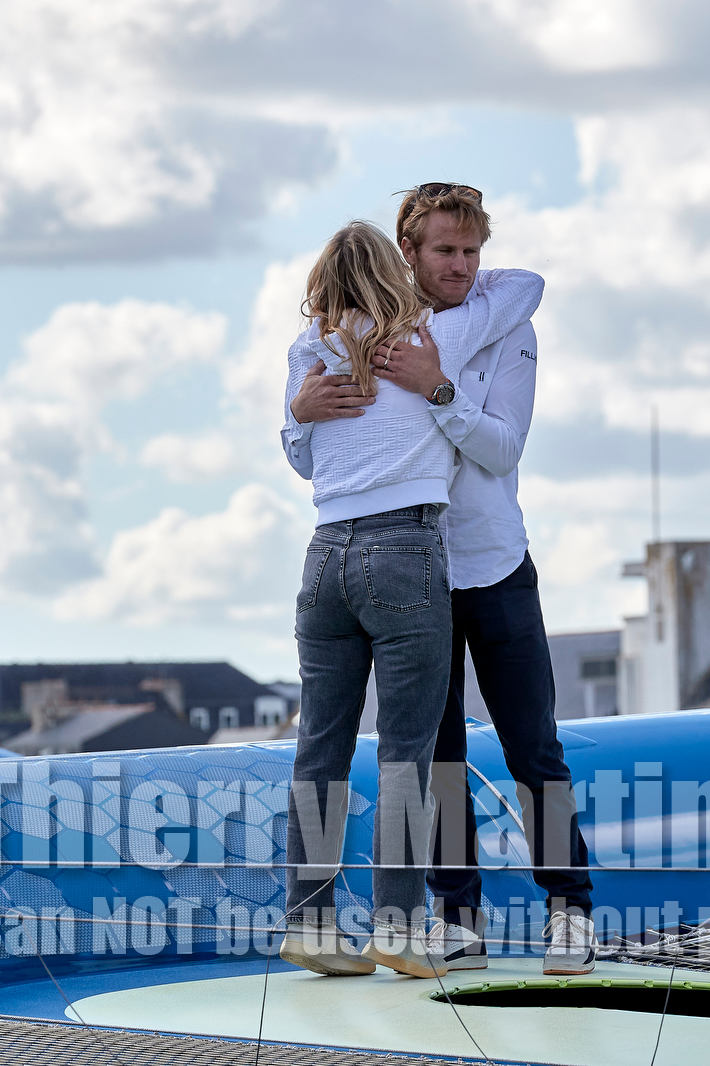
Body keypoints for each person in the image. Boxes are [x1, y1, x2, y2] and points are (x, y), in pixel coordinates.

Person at [288, 183, 599, 976]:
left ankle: (570, 908)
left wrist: (437, 390)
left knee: (535, 746)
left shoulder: (494, 323)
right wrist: (301, 413)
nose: (462, 266)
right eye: (444, 251)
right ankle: (455, 913)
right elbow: (303, 447)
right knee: (434, 755)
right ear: (407, 254)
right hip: (417, 570)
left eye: (471, 251)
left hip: (491, 564)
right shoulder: (392, 332)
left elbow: (502, 448)